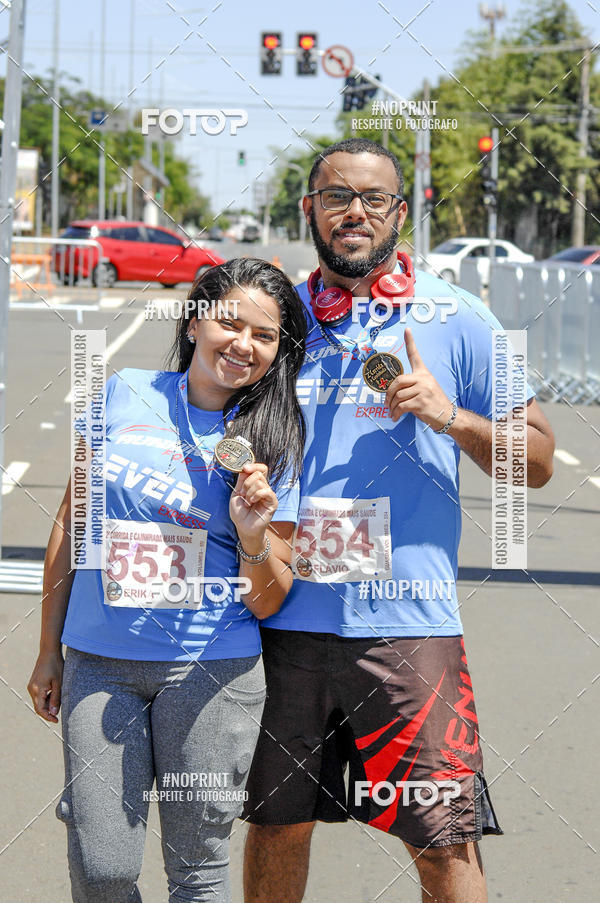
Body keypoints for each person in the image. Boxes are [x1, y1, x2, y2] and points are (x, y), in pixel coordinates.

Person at [242, 139, 555, 903]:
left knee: (443, 841)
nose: (355, 211)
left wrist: (452, 417)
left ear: (400, 212)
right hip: (282, 622)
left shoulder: (458, 317)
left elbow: (540, 458)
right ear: (309, 209)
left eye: (373, 198)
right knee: (277, 827)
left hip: (409, 629)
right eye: (336, 196)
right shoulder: (275, 321)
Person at [27, 257, 307, 903]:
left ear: (276, 352)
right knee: (101, 866)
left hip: (213, 672)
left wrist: (252, 534)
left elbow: (269, 600)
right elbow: (72, 521)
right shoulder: (123, 391)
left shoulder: (275, 439)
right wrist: (48, 649)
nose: (243, 344)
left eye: (264, 335)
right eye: (230, 323)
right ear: (193, 323)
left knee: (197, 873)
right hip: (100, 663)